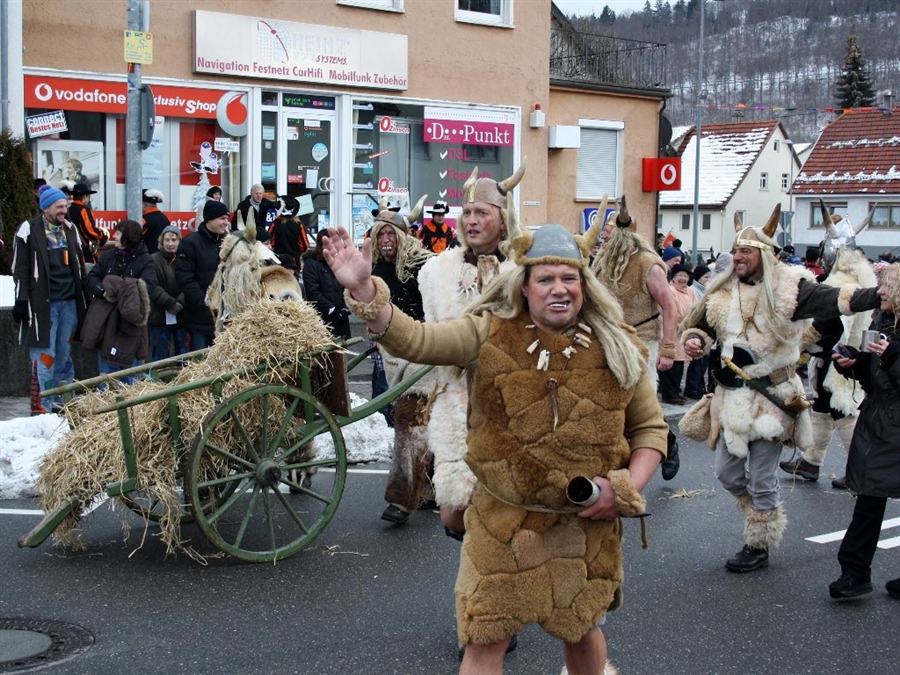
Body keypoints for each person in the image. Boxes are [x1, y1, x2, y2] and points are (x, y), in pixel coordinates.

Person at [321, 221, 667, 675]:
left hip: (583, 526)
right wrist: (366, 291)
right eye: (545, 279)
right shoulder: (488, 333)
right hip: (501, 523)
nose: (558, 289)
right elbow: (417, 340)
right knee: (485, 641)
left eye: (569, 278)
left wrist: (622, 489)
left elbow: (650, 430)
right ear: (524, 286)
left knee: (582, 630)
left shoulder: (617, 345)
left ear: (585, 285)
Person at [681, 206, 880, 573]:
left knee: (761, 476)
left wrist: (880, 294)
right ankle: (762, 514)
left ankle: (758, 544)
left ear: (765, 254)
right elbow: (700, 328)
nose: (738, 257)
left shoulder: (792, 287)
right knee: (727, 473)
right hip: (733, 398)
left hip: (774, 399)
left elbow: (836, 298)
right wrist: (694, 341)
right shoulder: (722, 289)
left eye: (746, 251)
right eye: (736, 250)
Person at [416, 162, 526, 540]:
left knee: (508, 505)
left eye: (482, 212)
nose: (472, 220)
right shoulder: (435, 273)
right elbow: (430, 335)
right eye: (467, 213)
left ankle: (495, 579)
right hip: (455, 402)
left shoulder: (523, 271)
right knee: (453, 514)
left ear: (503, 217)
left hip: (512, 400)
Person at [780, 203, 877, 488]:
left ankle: (860, 470)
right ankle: (811, 461)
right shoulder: (857, 278)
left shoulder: (839, 283)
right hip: (831, 357)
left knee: (843, 412)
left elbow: (822, 325)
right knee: (822, 409)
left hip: (839, 358)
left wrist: (792, 350)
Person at [591, 196, 681, 480]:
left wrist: (668, 348)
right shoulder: (602, 261)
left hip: (641, 341)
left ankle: (668, 444)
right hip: (606, 340)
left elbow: (670, 306)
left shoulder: (647, 263)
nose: (604, 233)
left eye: (609, 229)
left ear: (623, 233)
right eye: (604, 228)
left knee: (641, 403)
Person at [828, 262, 900, 600]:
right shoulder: (881, 320)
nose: (880, 291)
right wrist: (854, 363)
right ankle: (854, 573)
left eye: (887, 285)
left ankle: (855, 573)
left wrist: (893, 356)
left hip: (893, 424)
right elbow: (877, 379)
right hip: (879, 422)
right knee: (869, 500)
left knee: (871, 499)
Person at [368, 196, 435, 525]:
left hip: (426, 353)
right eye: (380, 235)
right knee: (420, 423)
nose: (385, 241)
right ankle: (432, 489)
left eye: (391, 235)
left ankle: (401, 499)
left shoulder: (425, 266)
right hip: (393, 355)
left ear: (404, 237)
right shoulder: (375, 269)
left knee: (408, 422)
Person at [12, 186, 90, 415]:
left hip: (69, 304)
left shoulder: (70, 229)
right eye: (59, 206)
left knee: (64, 356)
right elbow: (21, 269)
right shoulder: (29, 229)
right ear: (46, 207)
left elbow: (81, 266)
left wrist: (86, 296)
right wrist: (20, 300)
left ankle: (63, 401)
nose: (64, 210)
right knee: (45, 357)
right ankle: (41, 408)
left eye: (65, 206)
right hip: (42, 307)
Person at [83, 220, 157, 381]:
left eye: (118, 233)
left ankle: (131, 404)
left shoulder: (146, 260)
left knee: (131, 376)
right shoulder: (109, 256)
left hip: (130, 325)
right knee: (106, 377)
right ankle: (107, 402)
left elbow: (149, 287)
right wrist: (103, 292)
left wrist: (120, 290)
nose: (114, 236)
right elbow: (92, 277)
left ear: (128, 236)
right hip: (107, 322)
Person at [175, 200, 231, 351]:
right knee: (200, 364)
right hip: (199, 319)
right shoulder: (190, 243)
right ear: (210, 219)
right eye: (222, 218)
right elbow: (185, 279)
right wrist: (204, 303)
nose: (226, 222)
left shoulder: (229, 243)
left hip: (224, 318)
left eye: (227, 218)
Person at [148, 224, 188, 361]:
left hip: (182, 315)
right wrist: (170, 303)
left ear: (179, 241)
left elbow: (189, 282)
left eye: (174, 240)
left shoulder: (185, 259)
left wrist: (180, 302)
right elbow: (152, 286)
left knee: (183, 356)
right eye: (167, 240)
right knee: (159, 357)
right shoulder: (153, 259)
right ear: (161, 242)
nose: (170, 244)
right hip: (159, 316)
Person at [302, 229, 352, 341]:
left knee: (341, 355)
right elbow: (313, 292)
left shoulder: (341, 262)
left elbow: (348, 286)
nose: (332, 249)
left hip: (341, 321)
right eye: (328, 245)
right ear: (321, 246)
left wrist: (345, 308)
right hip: (322, 321)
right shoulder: (311, 264)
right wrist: (331, 309)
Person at [657, 263, 695, 405]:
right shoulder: (670, 290)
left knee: (679, 364)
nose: (683, 278)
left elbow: (695, 308)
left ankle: (675, 390)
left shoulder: (690, 292)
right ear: (673, 277)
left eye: (685, 276)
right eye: (680, 275)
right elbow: (669, 311)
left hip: (684, 330)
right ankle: (669, 393)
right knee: (671, 362)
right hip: (673, 329)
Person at [684, 264, 712, 400]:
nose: (707, 279)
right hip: (698, 329)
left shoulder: (706, 289)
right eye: (705, 277)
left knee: (703, 363)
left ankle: (700, 387)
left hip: (707, 331)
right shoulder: (694, 290)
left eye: (709, 277)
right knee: (697, 362)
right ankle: (692, 388)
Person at [67, 180, 108, 264]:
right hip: (83, 248)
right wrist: (102, 236)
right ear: (85, 196)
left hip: (71, 246)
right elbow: (89, 230)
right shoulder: (83, 209)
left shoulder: (68, 210)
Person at [270, 195, 311, 272]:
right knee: (294, 282)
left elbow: (270, 243)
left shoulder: (275, 224)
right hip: (294, 261)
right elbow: (305, 245)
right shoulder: (299, 225)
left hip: (278, 260)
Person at [141, 189, 171, 255]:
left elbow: (133, 239)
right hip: (162, 258)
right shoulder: (165, 218)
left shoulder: (144, 219)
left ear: (145, 205)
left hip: (147, 259)